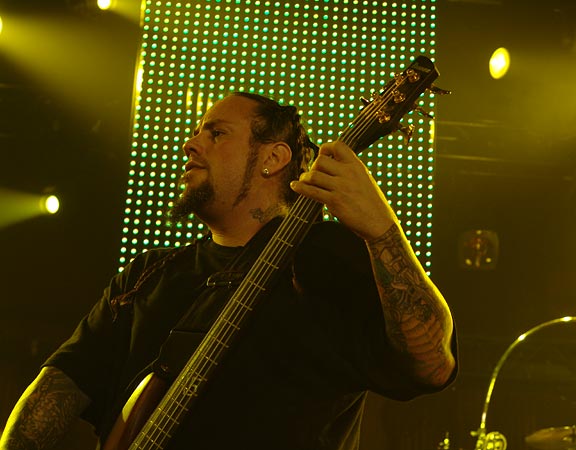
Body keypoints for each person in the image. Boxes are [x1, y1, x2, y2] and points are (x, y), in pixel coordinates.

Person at [0, 92, 457, 450]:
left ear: (273, 159)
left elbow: (432, 364)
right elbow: (62, 383)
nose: (190, 144)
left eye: (216, 133)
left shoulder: (326, 257)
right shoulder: (147, 275)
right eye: (197, 132)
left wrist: (382, 232)